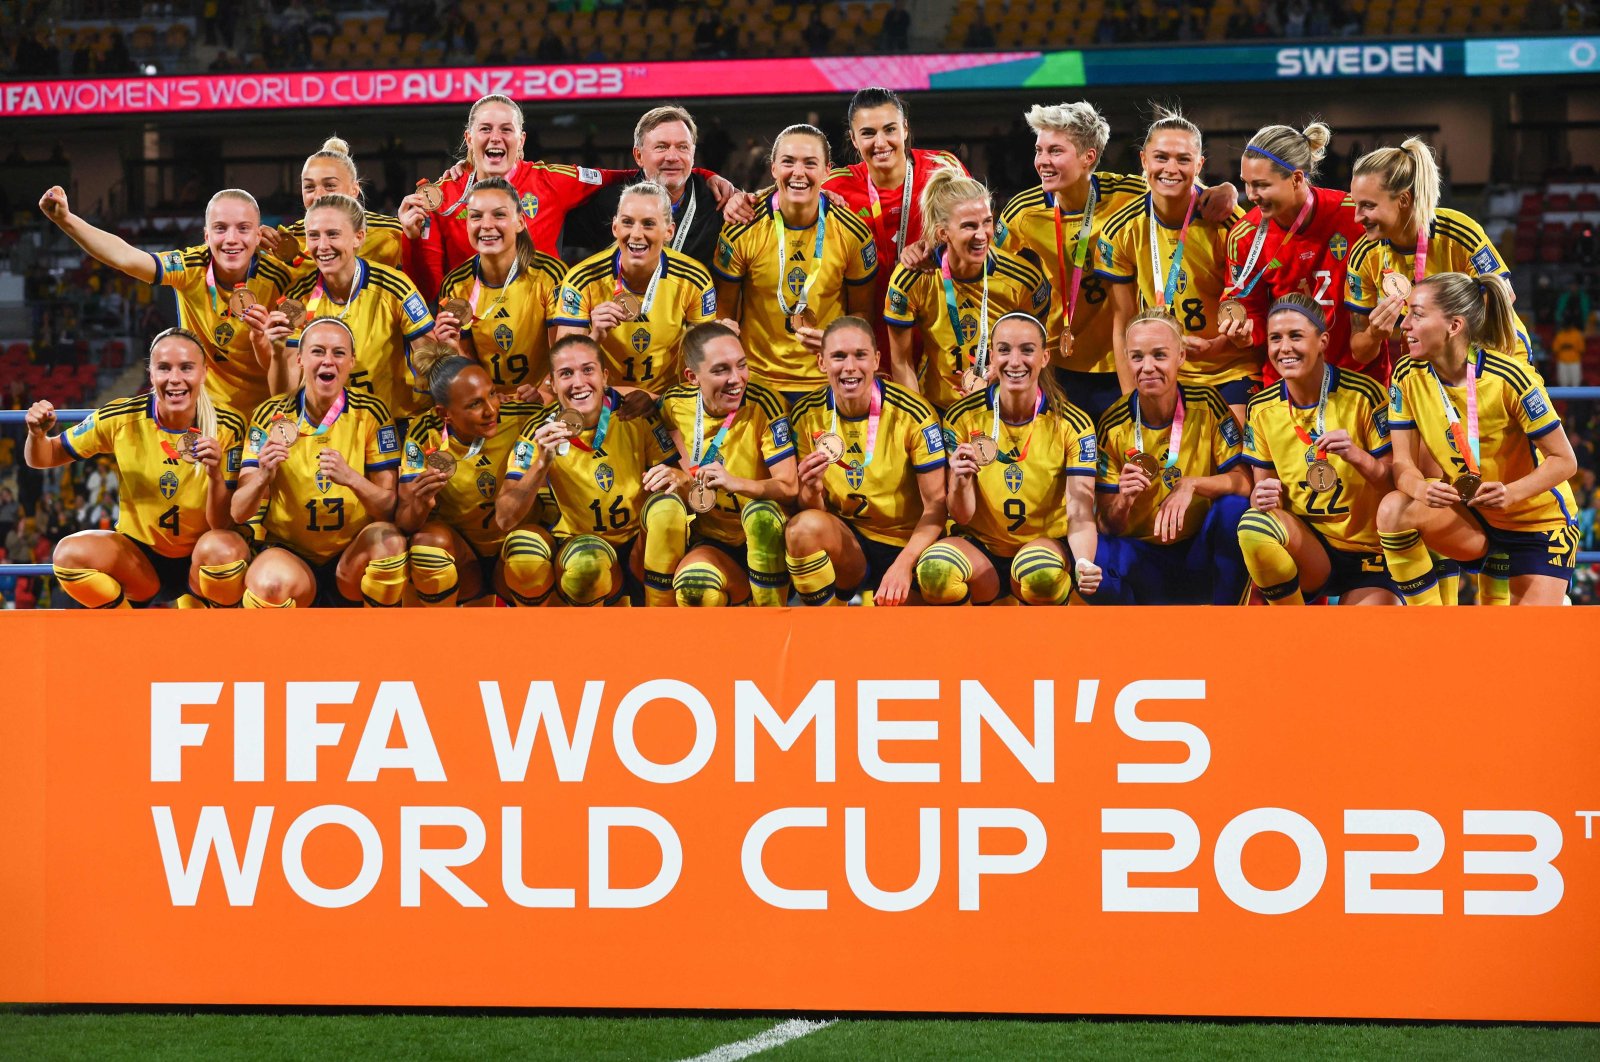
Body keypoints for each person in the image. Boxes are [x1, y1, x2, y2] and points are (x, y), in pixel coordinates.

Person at [996, 102, 1238, 425]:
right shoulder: (1020, 213)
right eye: (1039, 150)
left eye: (1055, 151)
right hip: (1056, 362)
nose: (1043, 161)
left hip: (1123, 362)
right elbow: (989, 274)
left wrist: (1227, 191)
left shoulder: (1127, 193)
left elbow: (1176, 186)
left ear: (1088, 158)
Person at [399, 94, 733, 299]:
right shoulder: (441, 198)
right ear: (469, 138)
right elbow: (429, 290)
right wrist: (410, 239)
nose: (496, 137)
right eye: (485, 129)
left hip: (545, 334)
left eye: (506, 129)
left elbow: (637, 174)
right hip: (472, 331)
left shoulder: (554, 181)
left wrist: (702, 175)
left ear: (522, 139)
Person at [1379, 273, 1580, 606]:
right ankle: (1429, 629)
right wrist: (1421, 488)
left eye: (1417, 314)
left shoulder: (1510, 377)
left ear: (1454, 326)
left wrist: (1510, 493)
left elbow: (1565, 461)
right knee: (1394, 510)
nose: (1405, 324)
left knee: (1527, 648)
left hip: (1537, 523)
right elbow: (1402, 463)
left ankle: (1555, 602)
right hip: (1474, 518)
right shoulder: (1406, 374)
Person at [22, 328, 252, 609]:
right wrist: (37, 435)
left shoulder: (229, 425)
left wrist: (215, 475)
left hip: (201, 558)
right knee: (69, 554)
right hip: (140, 560)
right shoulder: (122, 417)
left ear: (204, 373)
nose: (175, 379)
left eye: (186, 368)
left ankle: (215, 628)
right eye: (164, 368)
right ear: (151, 374)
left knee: (224, 549)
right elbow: (43, 458)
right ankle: (126, 632)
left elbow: (221, 524)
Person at [38, 185, 291, 417]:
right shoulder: (191, 266)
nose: (231, 238)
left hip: (267, 416)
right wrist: (66, 219)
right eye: (220, 228)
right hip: (209, 418)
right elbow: (126, 258)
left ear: (259, 236)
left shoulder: (281, 278)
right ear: (206, 236)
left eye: (243, 228)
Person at [916, 312, 1100, 605]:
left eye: (1027, 350)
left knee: (1040, 572)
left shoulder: (1072, 424)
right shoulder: (962, 418)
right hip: (980, 549)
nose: (1015, 361)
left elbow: (1079, 510)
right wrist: (961, 481)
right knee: (936, 569)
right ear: (992, 356)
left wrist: (1083, 562)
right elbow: (961, 515)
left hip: (1043, 546)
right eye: (1004, 350)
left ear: (1044, 357)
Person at [494, 335, 689, 606]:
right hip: (579, 546)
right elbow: (504, 519)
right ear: (552, 382)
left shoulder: (635, 414)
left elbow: (688, 493)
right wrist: (542, 463)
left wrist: (679, 478)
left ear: (605, 376)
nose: (578, 383)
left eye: (588, 370)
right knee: (571, 561)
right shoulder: (539, 431)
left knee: (667, 510)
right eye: (566, 374)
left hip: (638, 546)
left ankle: (662, 620)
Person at [231, 317, 407, 607]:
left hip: (352, 555)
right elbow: (238, 512)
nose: (328, 361)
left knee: (391, 543)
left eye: (338, 353)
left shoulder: (372, 413)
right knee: (269, 585)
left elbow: (389, 509)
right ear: (299, 359)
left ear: (352, 361)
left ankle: (380, 644)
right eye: (317, 351)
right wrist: (262, 475)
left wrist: (351, 478)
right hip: (290, 552)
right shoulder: (270, 416)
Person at [1237, 294, 1399, 605]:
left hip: (1369, 552)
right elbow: (1267, 494)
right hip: (1310, 548)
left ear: (1322, 341)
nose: (1284, 347)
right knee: (1254, 524)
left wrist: (1356, 455)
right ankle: (1296, 632)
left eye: (1296, 336)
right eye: (1275, 338)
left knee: (1359, 645)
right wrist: (1260, 496)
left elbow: (1395, 484)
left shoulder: (1366, 395)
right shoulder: (1260, 408)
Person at [1099, 107, 1254, 422]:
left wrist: (1214, 348)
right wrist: (1131, 398)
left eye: (1183, 159)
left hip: (1228, 368)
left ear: (1199, 165)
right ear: (1144, 160)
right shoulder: (1120, 230)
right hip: (1161, 372)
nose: (1171, 168)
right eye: (1161, 157)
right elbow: (1123, 322)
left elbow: (1252, 312)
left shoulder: (1231, 224)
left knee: (1237, 457)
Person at [785, 316, 947, 605]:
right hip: (850, 540)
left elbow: (937, 506)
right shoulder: (805, 416)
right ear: (822, 362)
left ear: (876, 360)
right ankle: (825, 617)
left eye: (860, 355)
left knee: (899, 642)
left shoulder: (914, 415)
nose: (850, 367)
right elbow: (812, 509)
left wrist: (903, 565)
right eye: (838, 356)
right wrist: (810, 488)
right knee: (802, 527)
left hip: (908, 543)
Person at [1092, 310, 1251, 604]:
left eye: (1159, 355)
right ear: (1126, 360)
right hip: (1145, 560)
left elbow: (1244, 483)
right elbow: (1106, 523)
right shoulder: (1112, 424)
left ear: (1180, 356)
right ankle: (1133, 639)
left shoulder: (1208, 404)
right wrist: (1124, 500)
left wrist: (1191, 484)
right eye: (1137, 357)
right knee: (1094, 554)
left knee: (1235, 509)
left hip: (1199, 552)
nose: (1148, 367)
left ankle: (1226, 623)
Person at [715, 124, 879, 404]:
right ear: (774, 168)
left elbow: (862, 314)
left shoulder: (854, 233)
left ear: (827, 171)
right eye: (788, 162)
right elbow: (724, 318)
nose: (798, 173)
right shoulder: (741, 227)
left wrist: (838, 342)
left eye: (810, 163)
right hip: (757, 386)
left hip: (828, 383)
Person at [1346, 138, 1531, 370]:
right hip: (1430, 369)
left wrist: (1441, 336)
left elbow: (1503, 297)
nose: (1357, 217)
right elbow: (1359, 351)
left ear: (1403, 200)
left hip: (1496, 359)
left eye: (1368, 206)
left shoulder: (1458, 232)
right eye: (1355, 205)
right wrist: (1374, 334)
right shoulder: (1364, 254)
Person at [394, 339, 549, 606]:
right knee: (426, 543)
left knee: (528, 549)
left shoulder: (523, 414)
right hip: (463, 555)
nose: (491, 410)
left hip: (514, 543)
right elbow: (405, 522)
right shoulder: (423, 434)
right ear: (445, 414)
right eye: (474, 404)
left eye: (491, 394)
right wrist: (421, 502)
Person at [822, 87, 970, 368]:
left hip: (939, 331)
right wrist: (738, 198)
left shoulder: (942, 169)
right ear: (853, 139)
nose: (880, 142)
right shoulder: (835, 186)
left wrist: (938, 246)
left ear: (904, 129)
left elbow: (978, 232)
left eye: (889, 129)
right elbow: (783, 197)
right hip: (869, 334)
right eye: (868, 133)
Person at [656, 322, 797, 606]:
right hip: (714, 541)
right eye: (721, 370)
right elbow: (687, 471)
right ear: (692, 377)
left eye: (742, 365)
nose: (737, 379)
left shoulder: (764, 403)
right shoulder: (674, 405)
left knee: (760, 515)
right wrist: (681, 480)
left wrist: (737, 483)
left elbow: (789, 487)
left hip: (768, 538)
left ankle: (772, 629)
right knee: (694, 586)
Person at [884, 167, 1049, 409]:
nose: (982, 235)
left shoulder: (1024, 280)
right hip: (938, 408)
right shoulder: (914, 278)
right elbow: (901, 363)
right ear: (943, 233)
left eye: (987, 222)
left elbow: (1037, 353)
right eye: (969, 226)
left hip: (1001, 408)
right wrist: (921, 423)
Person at [1220, 121, 1366, 386]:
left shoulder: (1354, 215)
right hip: (1286, 385)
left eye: (1262, 185)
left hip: (1358, 380)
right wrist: (1244, 331)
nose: (1251, 195)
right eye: (1246, 184)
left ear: (1297, 178)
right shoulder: (1245, 235)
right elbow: (1246, 307)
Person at [272, 194, 436, 419]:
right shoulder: (297, 299)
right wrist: (275, 352)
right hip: (330, 431)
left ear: (359, 237)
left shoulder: (394, 287)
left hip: (391, 427)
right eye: (313, 236)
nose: (322, 246)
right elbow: (286, 394)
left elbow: (431, 360)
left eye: (333, 234)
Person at [554, 182, 718, 396]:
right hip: (602, 402)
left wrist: (658, 401)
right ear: (615, 227)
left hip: (668, 402)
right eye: (627, 223)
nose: (636, 234)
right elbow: (563, 370)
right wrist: (595, 336)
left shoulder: (694, 279)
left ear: (669, 231)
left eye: (648, 224)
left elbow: (703, 365)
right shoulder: (581, 279)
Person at [435, 176, 566, 400]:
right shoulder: (454, 285)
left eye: (499, 214)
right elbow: (466, 356)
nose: (486, 225)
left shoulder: (551, 275)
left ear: (520, 222)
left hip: (544, 406)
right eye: (476, 216)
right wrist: (451, 348)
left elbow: (564, 350)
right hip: (489, 408)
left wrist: (544, 393)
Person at [562, 106, 727, 269]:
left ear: (693, 154)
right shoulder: (609, 203)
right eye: (661, 147)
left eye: (682, 147)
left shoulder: (718, 204)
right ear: (638, 156)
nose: (672, 157)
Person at [260, 136, 407, 278]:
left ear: (354, 190)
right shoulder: (287, 241)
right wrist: (253, 254)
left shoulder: (391, 232)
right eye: (309, 187)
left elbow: (423, 287)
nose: (318, 196)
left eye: (330, 186)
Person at [1552, 314, 1586, 390]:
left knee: (1576, 384)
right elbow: (1555, 349)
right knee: (1563, 384)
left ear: (1571, 324)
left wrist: (1568, 347)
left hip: (1574, 362)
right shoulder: (1560, 335)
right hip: (1562, 362)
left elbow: (1582, 349)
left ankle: (1576, 401)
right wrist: (1566, 347)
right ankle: (1564, 401)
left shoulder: (1577, 334)